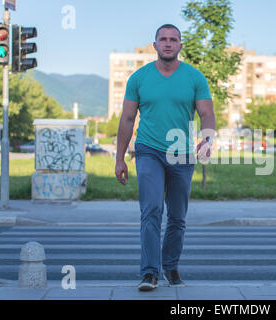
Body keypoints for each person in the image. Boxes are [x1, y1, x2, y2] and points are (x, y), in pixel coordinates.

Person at [115, 23, 215, 291]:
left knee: (178, 217)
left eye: (173, 39)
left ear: (180, 45)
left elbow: (206, 113)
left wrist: (207, 139)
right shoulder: (139, 78)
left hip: (181, 153)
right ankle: (149, 273)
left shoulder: (195, 78)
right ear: (155, 45)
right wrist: (120, 158)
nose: (168, 43)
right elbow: (126, 119)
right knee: (151, 210)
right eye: (163, 39)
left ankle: (170, 265)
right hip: (148, 150)